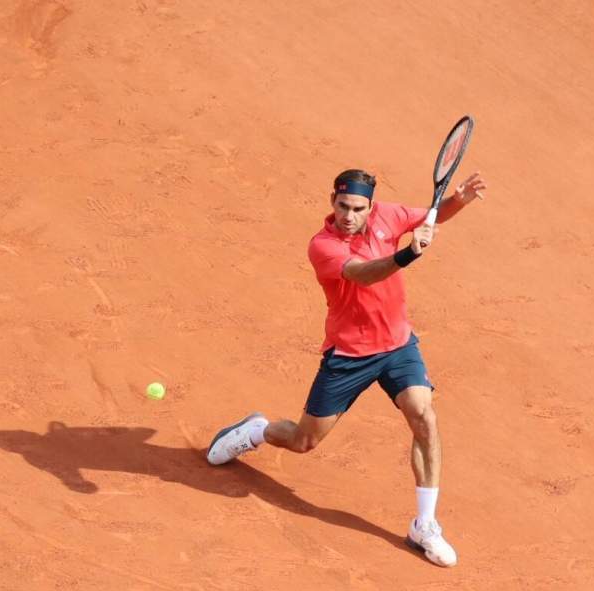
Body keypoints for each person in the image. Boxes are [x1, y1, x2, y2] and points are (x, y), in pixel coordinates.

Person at [206, 168, 487, 567]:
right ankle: (257, 430)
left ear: (371, 207)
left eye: (358, 208)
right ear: (332, 202)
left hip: (398, 346)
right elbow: (362, 274)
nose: (349, 216)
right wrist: (408, 253)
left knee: (423, 415)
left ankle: (424, 525)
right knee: (304, 441)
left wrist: (457, 201)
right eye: (342, 207)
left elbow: (430, 217)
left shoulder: (389, 215)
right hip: (350, 355)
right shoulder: (323, 245)